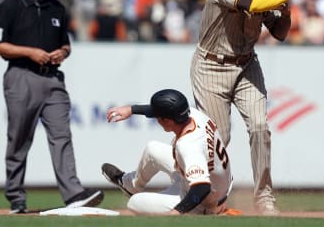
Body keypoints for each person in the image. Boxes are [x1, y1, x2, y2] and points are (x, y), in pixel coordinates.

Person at [189, 0, 318, 215]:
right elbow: (250, 3)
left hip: (247, 64)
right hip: (211, 65)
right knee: (218, 137)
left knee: (260, 128)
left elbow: (280, 33)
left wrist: (284, 8)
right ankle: (202, 194)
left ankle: (264, 198)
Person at [0, 0, 104, 214]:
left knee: (61, 135)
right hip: (21, 76)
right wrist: (30, 52)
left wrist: (62, 52)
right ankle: (16, 195)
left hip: (52, 79)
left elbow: (66, 44)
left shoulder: (56, 7)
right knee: (19, 138)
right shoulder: (11, 5)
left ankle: (73, 193)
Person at [101, 89, 235, 215]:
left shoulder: (188, 146)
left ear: (167, 120)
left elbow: (202, 188)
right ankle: (129, 185)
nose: (157, 119)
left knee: (134, 203)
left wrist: (177, 212)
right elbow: (164, 111)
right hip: (219, 184)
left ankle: (209, 211)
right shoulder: (193, 114)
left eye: (158, 117)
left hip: (205, 201)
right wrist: (131, 109)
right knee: (152, 149)